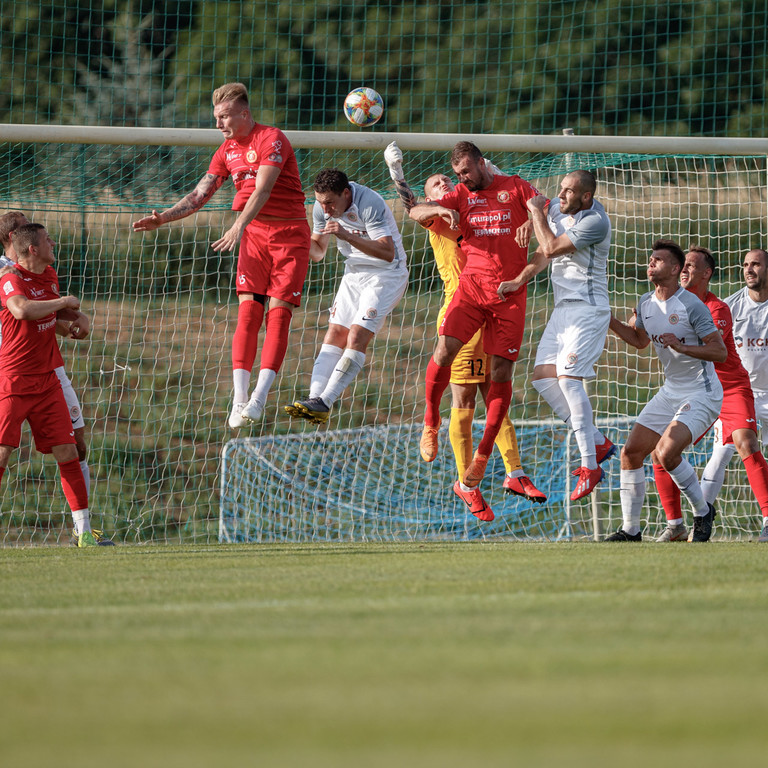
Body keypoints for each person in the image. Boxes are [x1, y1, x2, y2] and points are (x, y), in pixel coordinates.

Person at [132, 82, 311, 428]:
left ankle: (260, 396)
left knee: (278, 314)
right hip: (255, 235)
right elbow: (199, 194)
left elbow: (263, 188)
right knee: (247, 314)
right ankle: (240, 397)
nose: (219, 124)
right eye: (216, 117)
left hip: (289, 236)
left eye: (224, 116)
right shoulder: (225, 150)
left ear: (244, 113)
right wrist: (163, 217)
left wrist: (238, 225)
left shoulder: (272, 138)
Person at [383, 141, 545, 522]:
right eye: (439, 182)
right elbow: (412, 206)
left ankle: (514, 472)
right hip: (464, 305)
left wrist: (526, 215)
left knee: (497, 391)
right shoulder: (443, 215)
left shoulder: (480, 199)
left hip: (501, 301)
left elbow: (508, 193)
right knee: (465, 402)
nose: (446, 184)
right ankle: (465, 482)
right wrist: (399, 176)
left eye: (449, 179)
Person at [499, 171, 617, 502]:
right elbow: (541, 249)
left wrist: (535, 212)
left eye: (569, 192)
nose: (560, 195)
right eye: (560, 189)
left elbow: (549, 246)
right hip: (563, 309)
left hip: (588, 309)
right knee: (542, 378)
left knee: (568, 380)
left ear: (586, 197)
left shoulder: (595, 221)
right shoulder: (556, 208)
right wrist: (520, 279)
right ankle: (597, 440)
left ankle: (590, 466)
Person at [607, 240, 726, 542]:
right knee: (631, 452)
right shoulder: (646, 302)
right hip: (671, 390)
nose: (651, 264)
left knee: (666, 452)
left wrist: (682, 345)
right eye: (650, 259)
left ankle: (702, 512)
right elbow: (639, 341)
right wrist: (609, 321)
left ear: (675, 269)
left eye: (658, 260)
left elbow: (720, 352)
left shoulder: (691, 305)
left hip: (702, 392)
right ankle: (631, 530)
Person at [0, 211, 107, 544]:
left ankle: (85, 533)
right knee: (3, 453)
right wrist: (64, 303)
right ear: (28, 246)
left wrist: (78, 319)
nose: (53, 242)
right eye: (47, 239)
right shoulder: (8, 277)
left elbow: (49, 312)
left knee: (71, 448)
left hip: (48, 380)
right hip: (14, 379)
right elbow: (21, 310)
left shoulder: (48, 275)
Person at [284, 168, 408, 423]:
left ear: (346, 193)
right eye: (320, 203)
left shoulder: (369, 202)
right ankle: (314, 400)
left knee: (356, 334)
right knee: (334, 334)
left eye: (330, 203)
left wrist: (345, 234)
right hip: (353, 274)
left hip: (386, 274)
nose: (325, 210)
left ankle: (325, 401)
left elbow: (388, 252)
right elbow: (318, 252)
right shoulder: (321, 208)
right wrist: (296, 236)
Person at [695, 248, 768, 543]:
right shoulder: (731, 306)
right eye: (746, 265)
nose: (749, 269)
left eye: (756, 265)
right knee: (722, 453)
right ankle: (701, 519)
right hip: (740, 392)